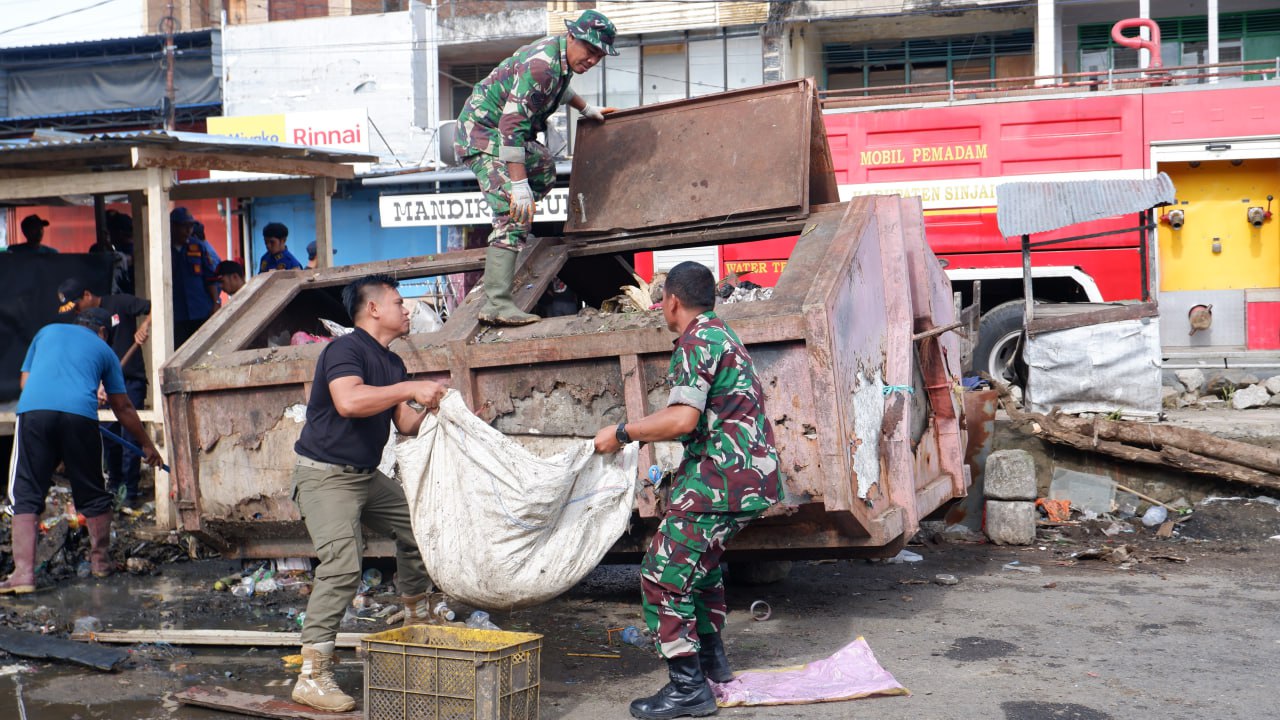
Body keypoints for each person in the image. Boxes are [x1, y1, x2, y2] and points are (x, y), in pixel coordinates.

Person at [593, 261, 782, 720]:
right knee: (701, 570)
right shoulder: (723, 333)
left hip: (721, 479)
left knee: (661, 576)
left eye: (662, 302)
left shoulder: (696, 342)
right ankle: (713, 668)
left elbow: (682, 419)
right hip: (747, 474)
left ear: (672, 301)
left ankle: (687, 689)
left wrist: (622, 432)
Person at [289, 274, 447, 712]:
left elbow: (404, 425)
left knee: (419, 523)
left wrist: (437, 409)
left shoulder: (392, 363)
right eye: (399, 302)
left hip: (364, 476)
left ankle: (415, 613)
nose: (407, 310)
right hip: (324, 477)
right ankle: (313, 676)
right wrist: (409, 389)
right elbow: (350, 402)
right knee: (342, 565)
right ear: (374, 308)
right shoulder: (345, 350)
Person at [455, 8, 617, 326]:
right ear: (573, 37)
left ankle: (511, 230)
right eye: (590, 50)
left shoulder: (560, 59)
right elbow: (511, 128)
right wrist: (517, 186)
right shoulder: (543, 65)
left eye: (599, 55)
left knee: (543, 169)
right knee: (514, 215)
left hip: (501, 135)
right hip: (483, 137)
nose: (593, 60)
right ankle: (497, 303)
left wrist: (587, 108)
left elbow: (560, 89)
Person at [0, 308, 163, 594]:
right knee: (91, 488)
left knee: (26, 491)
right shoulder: (105, 350)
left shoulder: (46, 332)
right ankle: (101, 562)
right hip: (81, 415)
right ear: (102, 332)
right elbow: (122, 407)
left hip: (35, 412)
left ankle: (24, 574)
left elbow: (26, 382)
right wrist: (146, 445)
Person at [58, 278, 152, 508]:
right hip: (101, 384)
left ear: (87, 294)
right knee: (110, 437)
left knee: (131, 434)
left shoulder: (120, 303)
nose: (77, 311)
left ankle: (131, 491)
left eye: (77, 304)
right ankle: (115, 485)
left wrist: (145, 326)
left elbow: (155, 307)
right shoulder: (82, 323)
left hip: (129, 380)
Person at [169, 207, 221, 346]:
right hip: (176, 314)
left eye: (191, 226)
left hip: (200, 311)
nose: (188, 231)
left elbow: (210, 278)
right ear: (173, 226)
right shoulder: (163, 248)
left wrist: (216, 302)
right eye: (184, 226)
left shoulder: (197, 247)